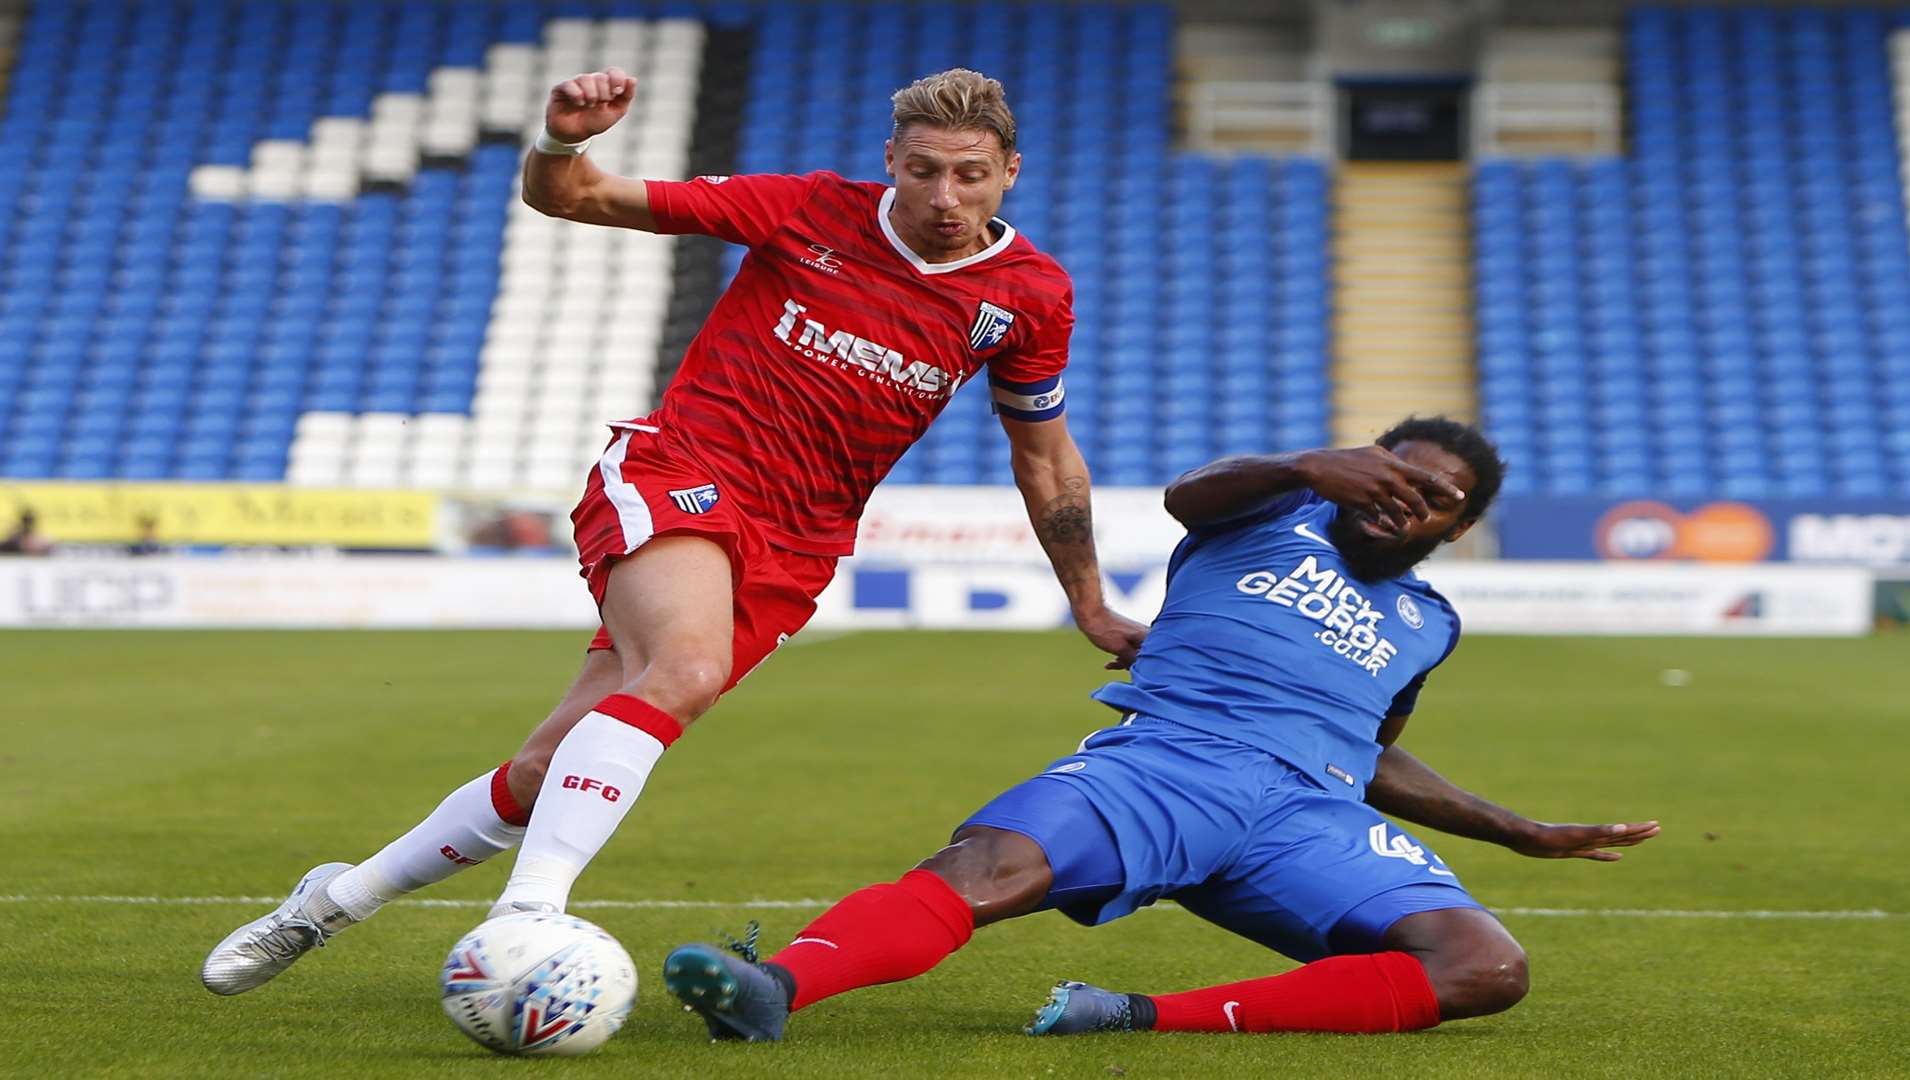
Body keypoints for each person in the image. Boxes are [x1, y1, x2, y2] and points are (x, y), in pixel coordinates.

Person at [200, 68, 1146, 995]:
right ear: (890, 159)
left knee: (546, 766)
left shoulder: (1029, 294)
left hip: (801, 537)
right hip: (681, 470)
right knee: (684, 671)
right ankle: (525, 919)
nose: (946, 195)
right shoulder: (807, 209)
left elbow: (1046, 458)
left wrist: (1089, 601)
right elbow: (574, 197)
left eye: (970, 174)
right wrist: (564, 138)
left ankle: (327, 904)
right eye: (925, 169)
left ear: (1009, 172)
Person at [660, 418, 1661, 1042]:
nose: (1405, 498)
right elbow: (1190, 494)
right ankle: (773, 987)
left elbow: (1373, 750)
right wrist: (1308, 466)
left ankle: (1134, 1016)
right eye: (1394, 473)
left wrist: (1516, 829)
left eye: (1435, 498)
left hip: (1309, 815)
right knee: (985, 869)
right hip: (1169, 765)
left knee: (1485, 969)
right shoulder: (1271, 513)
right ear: (1360, 469)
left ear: (1458, 527)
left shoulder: (1429, 622)